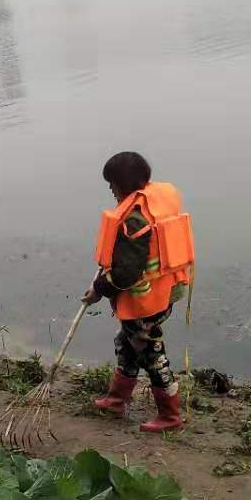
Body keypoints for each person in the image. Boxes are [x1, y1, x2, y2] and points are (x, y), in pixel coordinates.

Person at [82, 150, 193, 433]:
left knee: (151, 353)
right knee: (128, 344)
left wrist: (98, 289)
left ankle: (171, 416)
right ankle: (117, 400)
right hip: (165, 294)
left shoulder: (135, 221)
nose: (110, 190)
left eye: (111, 185)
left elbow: (126, 274)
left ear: (121, 186)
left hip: (145, 302)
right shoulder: (153, 205)